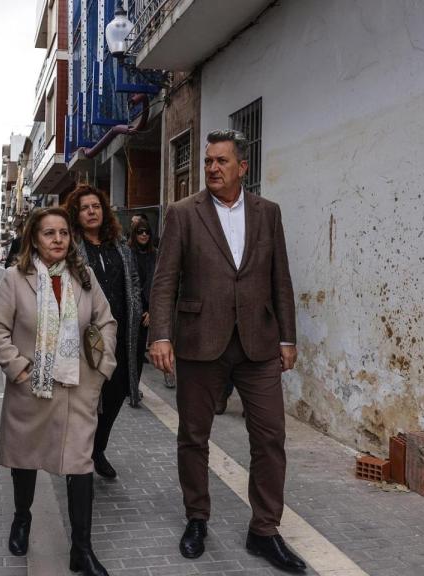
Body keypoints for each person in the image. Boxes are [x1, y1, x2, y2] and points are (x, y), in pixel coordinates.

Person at [148, 129, 304, 573]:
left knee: (270, 437)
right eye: (208, 162)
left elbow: (281, 280)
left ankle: (264, 530)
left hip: (258, 344)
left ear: (243, 167)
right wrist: (161, 335)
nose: (213, 168)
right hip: (200, 342)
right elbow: (165, 280)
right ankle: (197, 518)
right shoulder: (183, 213)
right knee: (194, 437)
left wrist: (287, 339)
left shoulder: (267, 213)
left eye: (221, 161)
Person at [0, 207, 117, 576]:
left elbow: (106, 321)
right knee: (26, 460)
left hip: (77, 388)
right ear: (34, 239)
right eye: (48, 233)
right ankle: (22, 518)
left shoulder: (84, 276)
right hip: (32, 389)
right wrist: (19, 368)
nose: (58, 240)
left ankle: (82, 549)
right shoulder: (15, 279)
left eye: (63, 233)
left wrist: (102, 368)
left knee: (80, 464)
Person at [65, 185, 143, 480]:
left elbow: (133, 281)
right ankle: (83, 456)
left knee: (116, 394)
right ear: (77, 214)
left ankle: (98, 448)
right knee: (88, 398)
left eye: (96, 206)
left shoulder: (120, 245)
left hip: (122, 334)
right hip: (88, 336)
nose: (91, 211)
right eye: (85, 207)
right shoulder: (72, 247)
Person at [128, 216, 156, 386]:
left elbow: (158, 284)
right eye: (140, 232)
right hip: (130, 308)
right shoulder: (128, 253)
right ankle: (127, 386)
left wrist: (152, 310)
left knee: (138, 353)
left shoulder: (155, 254)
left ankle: (134, 387)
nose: (144, 235)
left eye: (147, 232)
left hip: (147, 311)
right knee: (126, 352)